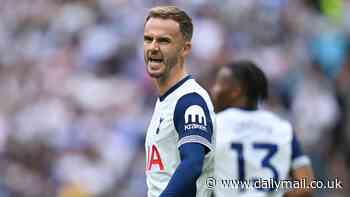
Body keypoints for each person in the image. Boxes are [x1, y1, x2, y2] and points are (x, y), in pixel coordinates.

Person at [211, 60, 314, 197]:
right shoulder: (282, 128)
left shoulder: (213, 125)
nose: (214, 89)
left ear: (236, 92)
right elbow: (305, 185)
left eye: (219, 84)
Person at [143, 6, 216, 197]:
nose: (153, 47)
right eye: (148, 39)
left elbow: (192, 163)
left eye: (164, 41)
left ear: (185, 49)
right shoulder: (168, 100)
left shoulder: (190, 101)